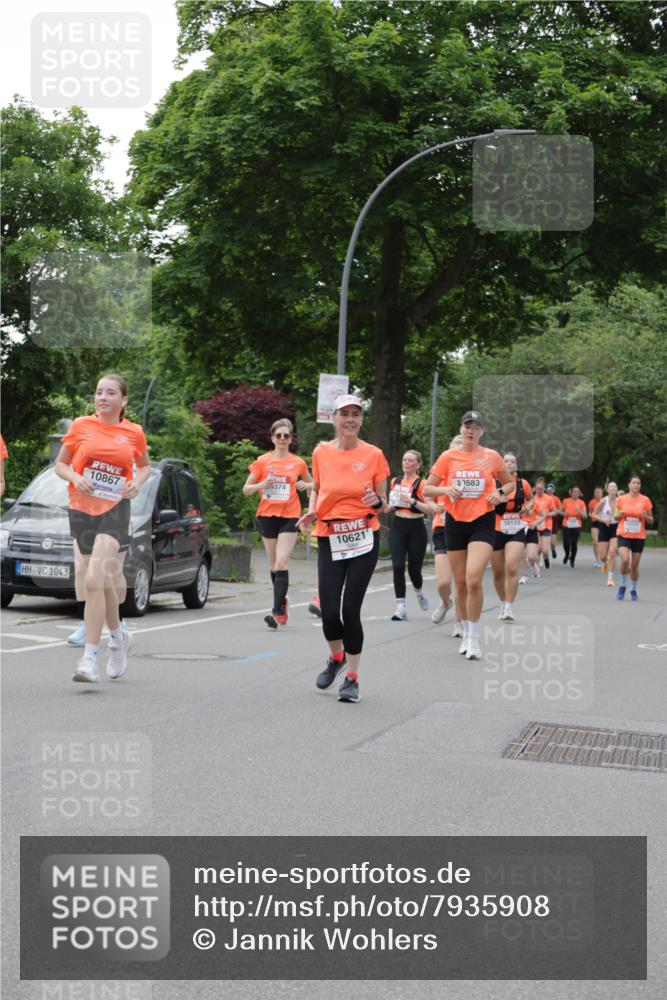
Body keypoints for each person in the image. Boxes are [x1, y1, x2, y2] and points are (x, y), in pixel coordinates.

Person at [55, 374, 150, 683]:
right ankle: (119, 636)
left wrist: (136, 482)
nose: (103, 397)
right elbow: (61, 464)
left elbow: (145, 466)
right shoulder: (80, 426)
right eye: (98, 392)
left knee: (95, 578)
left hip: (115, 507)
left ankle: (89, 658)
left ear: (123, 400)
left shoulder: (134, 432)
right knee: (101, 580)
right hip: (81, 507)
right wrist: (74, 477)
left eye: (110, 393)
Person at [296, 395, 389, 703]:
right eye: (344, 414)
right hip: (330, 535)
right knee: (328, 611)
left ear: (361, 420)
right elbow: (319, 489)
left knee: (350, 610)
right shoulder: (321, 452)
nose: (350, 419)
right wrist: (312, 510)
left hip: (363, 536)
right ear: (334, 418)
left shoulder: (374, 454)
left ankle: (352, 677)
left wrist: (377, 502)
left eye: (356, 414)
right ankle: (336, 657)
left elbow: (383, 501)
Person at [422, 411, 514, 660]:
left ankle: (473, 638)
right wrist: (446, 489)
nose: (471, 430)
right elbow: (427, 489)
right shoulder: (448, 457)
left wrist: (500, 494)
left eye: (476, 427)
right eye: (467, 426)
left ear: (481, 431)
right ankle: (463, 630)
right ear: (461, 429)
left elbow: (509, 484)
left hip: (482, 521)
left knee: (474, 580)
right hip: (454, 522)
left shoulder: (491, 456)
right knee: (460, 583)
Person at [243, 418, 312, 629]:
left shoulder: (298, 462)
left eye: (286, 435)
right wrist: (262, 484)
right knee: (274, 566)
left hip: (290, 515)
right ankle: (283, 602)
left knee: (282, 563)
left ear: (291, 438)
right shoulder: (263, 461)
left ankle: (276, 612)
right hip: (267, 515)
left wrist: (309, 499)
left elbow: (312, 486)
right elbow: (246, 489)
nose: (282, 439)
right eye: (278, 435)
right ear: (272, 438)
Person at [387, 450, 434, 621]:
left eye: (411, 460)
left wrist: (412, 501)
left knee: (415, 570)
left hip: (416, 527)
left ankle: (419, 593)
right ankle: (401, 607)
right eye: (404, 459)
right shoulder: (395, 481)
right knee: (398, 566)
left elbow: (431, 510)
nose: (406, 462)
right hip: (398, 526)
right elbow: (393, 504)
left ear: (418, 464)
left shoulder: (422, 483)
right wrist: (388, 506)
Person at [491, 453, 534, 622]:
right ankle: (503, 601)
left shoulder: (523, 484)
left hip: (516, 527)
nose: (509, 463)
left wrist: (528, 508)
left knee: (511, 567)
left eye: (512, 461)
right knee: (497, 572)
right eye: (506, 461)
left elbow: (530, 500)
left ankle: (509, 606)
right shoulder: (493, 482)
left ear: (516, 466)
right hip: (495, 528)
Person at [429, 435, 462, 635]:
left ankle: (459, 623)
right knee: (443, 582)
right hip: (442, 526)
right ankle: (445, 602)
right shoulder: (441, 473)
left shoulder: (474, 474)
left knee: (461, 581)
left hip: (465, 526)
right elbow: (428, 496)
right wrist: (435, 506)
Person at [615, 476, 653, 601]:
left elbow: (651, 520)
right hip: (623, 534)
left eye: (638, 483)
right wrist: (619, 515)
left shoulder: (645, 500)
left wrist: (646, 516)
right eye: (634, 483)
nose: (636, 485)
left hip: (639, 536)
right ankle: (622, 586)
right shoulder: (621, 499)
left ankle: (633, 589)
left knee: (635, 566)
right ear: (629, 485)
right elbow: (615, 517)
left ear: (640, 486)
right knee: (625, 560)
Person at [594, 481, 619, 587]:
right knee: (603, 556)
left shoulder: (620, 501)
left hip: (615, 527)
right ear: (607, 490)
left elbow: (623, 514)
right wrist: (603, 520)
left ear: (617, 489)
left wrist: (619, 515)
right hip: (604, 527)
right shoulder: (604, 501)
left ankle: (610, 578)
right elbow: (594, 514)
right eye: (611, 486)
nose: (613, 488)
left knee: (612, 552)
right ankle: (604, 563)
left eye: (614, 486)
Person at [532, 477, 558, 570]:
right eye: (538, 488)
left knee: (545, 551)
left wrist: (546, 514)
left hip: (546, 525)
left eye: (541, 488)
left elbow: (555, 512)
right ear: (535, 489)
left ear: (544, 489)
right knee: (538, 549)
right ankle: (536, 566)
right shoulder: (531, 499)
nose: (539, 490)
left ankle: (546, 558)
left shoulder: (549, 499)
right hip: (535, 525)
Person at [560, 486, 587, 567]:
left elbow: (585, 516)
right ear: (571, 493)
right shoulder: (566, 501)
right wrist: (564, 513)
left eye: (577, 492)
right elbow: (559, 510)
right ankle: (567, 554)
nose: (576, 493)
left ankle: (572, 559)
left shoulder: (581, 502)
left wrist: (579, 511)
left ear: (579, 493)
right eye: (574, 491)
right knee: (566, 543)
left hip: (576, 524)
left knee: (574, 544)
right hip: (566, 524)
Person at [588, 486, 604, 567]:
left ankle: (603, 557)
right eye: (596, 492)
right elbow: (590, 513)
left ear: (602, 493)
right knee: (595, 542)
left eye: (599, 492)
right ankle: (598, 560)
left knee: (603, 542)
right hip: (595, 523)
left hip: (604, 523)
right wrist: (593, 515)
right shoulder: (592, 502)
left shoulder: (605, 501)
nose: (597, 493)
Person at [545, 482, 560, 558]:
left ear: (553, 490)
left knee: (553, 541)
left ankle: (553, 549)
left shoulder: (556, 499)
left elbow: (559, 509)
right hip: (544, 519)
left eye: (551, 489)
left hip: (553, 519)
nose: (550, 491)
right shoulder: (543, 497)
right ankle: (545, 553)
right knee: (545, 538)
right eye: (548, 489)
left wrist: (555, 511)